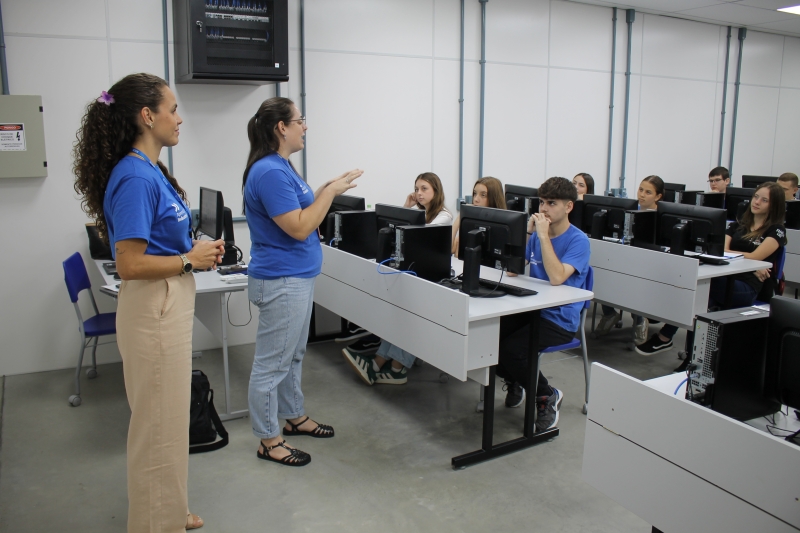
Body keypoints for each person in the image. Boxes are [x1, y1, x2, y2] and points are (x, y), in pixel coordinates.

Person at [73, 73, 225, 532]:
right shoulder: (135, 176)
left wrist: (193, 252)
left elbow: (158, 242)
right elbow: (130, 263)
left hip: (166, 302)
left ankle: (169, 511)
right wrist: (189, 260)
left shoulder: (149, 169)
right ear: (147, 115)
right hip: (154, 306)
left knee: (169, 423)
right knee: (157, 428)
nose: (179, 118)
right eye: (172, 109)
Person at [242, 97, 363, 466]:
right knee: (271, 364)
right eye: (300, 120)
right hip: (282, 280)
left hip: (295, 277)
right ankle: (268, 440)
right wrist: (331, 192)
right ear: (282, 127)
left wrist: (330, 185)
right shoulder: (269, 171)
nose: (305, 126)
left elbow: (302, 206)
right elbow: (298, 227)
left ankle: (293, 417)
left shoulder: (281, 166)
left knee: (292, 356)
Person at [637, 181, 787, 356]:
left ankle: (667, 338)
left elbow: (756, 256)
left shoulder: (776, 230)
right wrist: (749, 264)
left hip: (747, 287)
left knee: (698, 288)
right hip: (727, 277)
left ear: (774, 205)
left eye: (764, 200)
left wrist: (747, 261)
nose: (757, 202)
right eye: (756, 197)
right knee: (699, 294)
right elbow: (722, 250)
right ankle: (685, 350)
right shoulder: (739, 224)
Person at [342, 172, 452, 385]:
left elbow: (420, 235)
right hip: (416, 270)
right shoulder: (421, 213)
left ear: (436, 191)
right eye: (417, 189)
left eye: (424, 189)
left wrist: (411, 214)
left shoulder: (444, 215)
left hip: (431, 276)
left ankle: (388, 366)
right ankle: (381, 365)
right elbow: (398, 229)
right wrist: (406, 208)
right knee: (401, 315)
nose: (419, 193)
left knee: (410, 317)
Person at [498, 177, 590, 431]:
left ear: (569, 206)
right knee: (489, 338)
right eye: (541, 202)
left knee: (512, 350)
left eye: (552, 203)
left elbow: (557, 277)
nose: (544, 209)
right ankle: (517, 379)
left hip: (560, 318)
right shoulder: (537, 235)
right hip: (532, 309)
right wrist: (528, 233)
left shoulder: (579, 240)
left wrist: (542, 236)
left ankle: (546, 395)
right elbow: (513, 270)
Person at [594, 176, 664, 345]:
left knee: (635, 278)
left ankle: (640, 319)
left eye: (648, 192)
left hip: (651, 263)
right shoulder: (630, 211)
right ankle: (610, 313)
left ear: (658, 196)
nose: (642, 195)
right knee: (601, 271)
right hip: (627, 255)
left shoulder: (662, 216)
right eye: (640, 189)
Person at [452, 176, 506, 255]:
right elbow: (450, 248)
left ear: (493, 198)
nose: (476, 199)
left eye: (483, 195)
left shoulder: (503, 225)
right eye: (475, 193)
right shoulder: (470, 221)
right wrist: (460, 217)